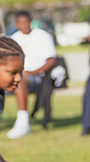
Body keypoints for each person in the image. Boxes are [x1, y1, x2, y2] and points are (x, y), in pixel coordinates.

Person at [7, 11, 57, 139]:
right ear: (16, 24)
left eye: (27, 22)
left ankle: (23, 122)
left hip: (38, 77)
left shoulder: (42, 36)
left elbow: (51, 60)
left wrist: (32, 72)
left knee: (20, 80)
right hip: (17, 75)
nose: (24, 25)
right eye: (21, 22)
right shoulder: (13, 39)